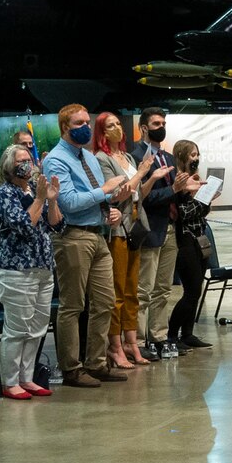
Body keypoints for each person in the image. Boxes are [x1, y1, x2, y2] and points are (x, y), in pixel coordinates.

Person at [42, 103, 132, 387]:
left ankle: (97, 362)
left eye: (86, 122)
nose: (85, 127)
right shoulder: (56, 160)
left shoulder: (90, 158)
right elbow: (67, 202)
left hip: (98, 232)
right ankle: (71, 368)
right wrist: (103, 191)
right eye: (78, 123)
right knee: (73, 305)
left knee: (105, 301)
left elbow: (100, 198)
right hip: (72, 236)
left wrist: (111, 208)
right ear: (65, 127)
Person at [0, 144, 60, 399]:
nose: (27, 164)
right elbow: (24, 226)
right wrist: (40, 199)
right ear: (9, 166)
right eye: (21, 160)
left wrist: (51, 200)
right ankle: (10, 382)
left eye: (29, 159)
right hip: (16, 271)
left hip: (43, 268)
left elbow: (56, 224)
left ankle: (27, 378)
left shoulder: (34, 191)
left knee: (37, 328)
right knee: (18, 329)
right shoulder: (4, 194)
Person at [94, 112, 150, 368]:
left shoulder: (126, 156)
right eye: (111, 125)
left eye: (118, 123)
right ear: (102, 132)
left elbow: (138, 193)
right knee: (116, 290)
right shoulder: (101, 159)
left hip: (135, 224)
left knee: (132, 290)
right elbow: (115, 194)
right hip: (117, 229)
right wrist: (140, 174)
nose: (117, 128)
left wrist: (152, 178)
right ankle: (114, 347)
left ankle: (132, 343)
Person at [129, 108, 180, 359]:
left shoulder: (169, 157)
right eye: (157, 123)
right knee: (143, 289)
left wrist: (186, 189)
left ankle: (159, 335)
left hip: (170, 228)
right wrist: (173, 190)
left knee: (163, 289)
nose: (162, 126)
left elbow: (173, 191)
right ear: (145, 128)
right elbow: (142, 199)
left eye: (164, 122)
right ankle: (137, 340)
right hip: (149, 228)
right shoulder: (135, 156)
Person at [167, 140, 216, 352]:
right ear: (182, 155)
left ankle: (187, 333)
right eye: (192, 155)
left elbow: (202, 212)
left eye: (197, 154)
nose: (195, 159)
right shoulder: (178, 182)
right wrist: (201, 201)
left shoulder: (195, 178)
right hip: (184, 240)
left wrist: (206, 199)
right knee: (191, 290)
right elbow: (184, 214)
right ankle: (171, 334)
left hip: (199, 237)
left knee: (197, 289)